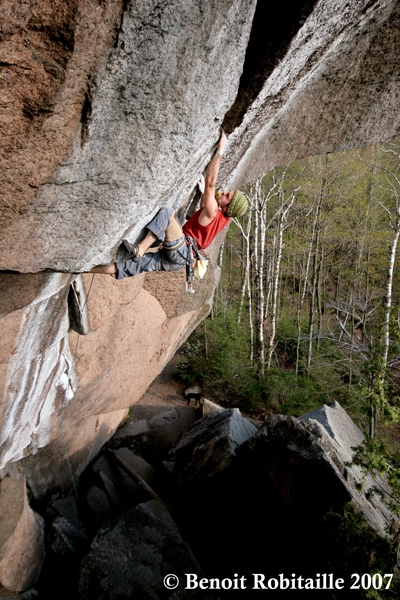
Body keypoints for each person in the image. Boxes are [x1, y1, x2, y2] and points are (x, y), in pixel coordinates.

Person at [90, 130, 248, 280]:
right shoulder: (223, 218)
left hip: (180, 250)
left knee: (167, 213)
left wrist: (220, 149)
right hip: (178, 261)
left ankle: (142, 249)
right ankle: (84, 269)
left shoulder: (214, 211)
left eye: (227, 196)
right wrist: (201, 195)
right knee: (124, 267)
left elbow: (210, 184)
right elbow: (204, 217)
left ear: (228, 208)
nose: (224, 193)